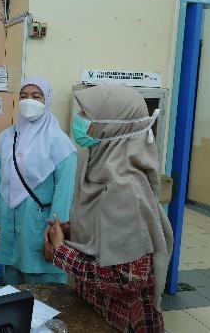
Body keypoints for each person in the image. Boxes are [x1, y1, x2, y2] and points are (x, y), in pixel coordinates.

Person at [45, 85, 174, 333]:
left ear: (114, 126)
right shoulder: (99, 173)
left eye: (86, 114)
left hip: (120, 321)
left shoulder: (126, 189)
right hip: (94, 310)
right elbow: (106, 237)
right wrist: (69, 232)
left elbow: (128, 280)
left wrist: (62, 252)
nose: (78, 119)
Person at [0, 77, 77, 285]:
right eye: (24, 96)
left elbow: (64, 193)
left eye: (36, 97)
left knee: (46, 292)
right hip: (8, 222)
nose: (29, 101)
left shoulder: (60, 143)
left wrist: (55, 232)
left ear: (47, 100)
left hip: (39, 227)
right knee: (13, 287)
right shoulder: (6, 138)